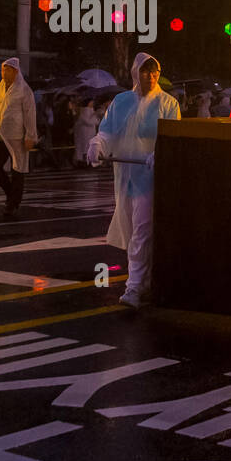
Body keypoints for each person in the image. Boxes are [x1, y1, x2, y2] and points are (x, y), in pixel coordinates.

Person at [88, 53, 182, 308]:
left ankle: (133, 287)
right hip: (125, 176)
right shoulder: (121, 101)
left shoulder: (168, 103)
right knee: (132, 231)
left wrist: (160, 153)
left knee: (141, 230)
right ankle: (147, 280)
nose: (150, 77)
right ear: (135, 73)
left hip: (150, 178)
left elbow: (173, 136)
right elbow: (107, 130)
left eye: (154, 73)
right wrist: (97, 143)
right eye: (145, 72)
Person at [0, 58, 37, 219]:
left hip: (16, 136)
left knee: (17, 170)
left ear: (16, 72)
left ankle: (12, 204)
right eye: (3, 70)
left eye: (7, 70)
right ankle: (11, 194)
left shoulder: (24, 90)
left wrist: (30, 136)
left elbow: (30, 114)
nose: (4, 73)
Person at [73, 98, 99, 168]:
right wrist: (94, 116)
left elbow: (96, 122)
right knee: (84, 148)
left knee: (88, 147)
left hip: (90, 133)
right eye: (91, 102)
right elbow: (89, 122)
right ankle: (84, 162)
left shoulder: (91, 110)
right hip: (84, 134)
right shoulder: (84, 110)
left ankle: (88, 162)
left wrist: (94, 116)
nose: (93, 103)